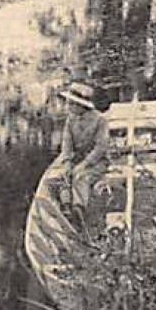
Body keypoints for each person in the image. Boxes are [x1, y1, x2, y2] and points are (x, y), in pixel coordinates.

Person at [56, 81, 109, 221]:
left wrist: (84, 164)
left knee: (81, 177)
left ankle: (79, 209)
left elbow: (101, 148)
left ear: (80, 105)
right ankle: (66, 206)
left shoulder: (100, 120)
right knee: (64, 176)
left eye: (71, 103)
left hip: (97, 162)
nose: (68, 106)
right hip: (77, 159)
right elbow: (67, 144)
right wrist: (67, 162)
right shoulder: (70, 120)